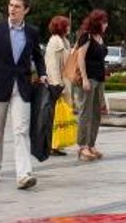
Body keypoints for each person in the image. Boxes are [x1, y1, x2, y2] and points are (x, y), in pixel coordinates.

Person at [0, 0, 47, 189]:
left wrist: (42, 73)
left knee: (21, 131)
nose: (12, 9)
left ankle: (23, 174)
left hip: (21, 88)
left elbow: (38, 57)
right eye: (10, 5)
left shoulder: (32, 32)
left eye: (17, 6)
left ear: (26, 10)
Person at [75, 9, 109, 161]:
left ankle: (91, 144)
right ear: (97, 22)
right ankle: (82, 146)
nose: (106, 25)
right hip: (89, 79)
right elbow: (80, 58)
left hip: (99, 79)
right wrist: (84, 79)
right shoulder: (86, 36)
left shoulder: (100, 37)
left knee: (96, 113)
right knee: (85, 113)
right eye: (103, 22)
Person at [44, 15, 73, 156]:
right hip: (57, 84)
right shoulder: (55, 42)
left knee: (60, 115)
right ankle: (51, 144)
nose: (69, 28)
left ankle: (57, 144)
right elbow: (52, 65)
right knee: (54, 115)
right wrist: (57, 85)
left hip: (64, 83)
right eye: (66, 25)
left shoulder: (64, 41)